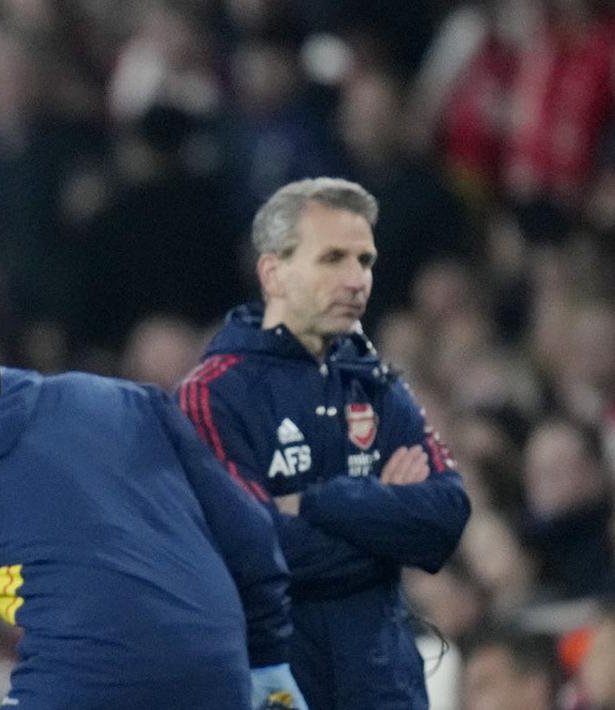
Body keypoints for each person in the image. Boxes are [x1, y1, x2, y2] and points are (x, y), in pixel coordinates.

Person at [177, 177, 470, 709]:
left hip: (388, 687)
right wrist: (384, 523)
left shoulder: (376, 382)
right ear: (274, 272)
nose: (357, 280)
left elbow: (446, 517)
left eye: (365, 261)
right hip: (279, 686)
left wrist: (317, 503)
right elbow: (250, 550)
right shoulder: (213, 394)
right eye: (333, 259)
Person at [0, 365, 309, 710]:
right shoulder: (124, 399)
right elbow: (251, 534)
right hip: (218, 667)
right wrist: (267, 660)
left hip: (79, 682)